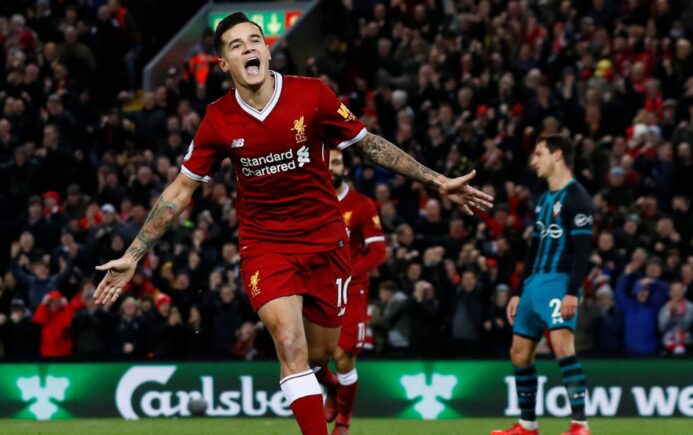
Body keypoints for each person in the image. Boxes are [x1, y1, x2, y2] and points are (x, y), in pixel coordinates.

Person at [93, 12, 492, 435]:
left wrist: (436, 180)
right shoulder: (218, 119)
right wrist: (133, 254)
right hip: (266, 246)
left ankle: (321, 385)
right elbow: (179, 191)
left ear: (267, 50)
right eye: (236, 45)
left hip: (326, 241)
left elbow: (368, 144)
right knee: (289, 342)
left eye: (255, 40)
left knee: (319, 354)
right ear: (224, 64)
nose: (249, 48)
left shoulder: (311, 95)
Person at [493, 136, 594, 435]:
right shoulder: (542, 199)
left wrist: (572, 291)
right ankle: (527, 426)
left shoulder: (578, 198)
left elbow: (583, 252)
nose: (533, 161)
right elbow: (534, 250)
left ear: (558, 154)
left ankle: (580, 425)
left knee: (562, 347)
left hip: (559, 282)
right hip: (534, 283)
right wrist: (517, 292)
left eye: (539, 154)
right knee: (519, 354)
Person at [315, 149, 386, 435]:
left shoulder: (361, 204)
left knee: (344, 355)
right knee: (309, 357)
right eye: (326, 162)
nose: (331, 168)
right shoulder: (311, 202)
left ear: (344, 167)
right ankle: (332, 386)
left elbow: (378, 252)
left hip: (351, 287)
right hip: (316, 285)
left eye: (336, 162)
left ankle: (343, 422)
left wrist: (347, 272)